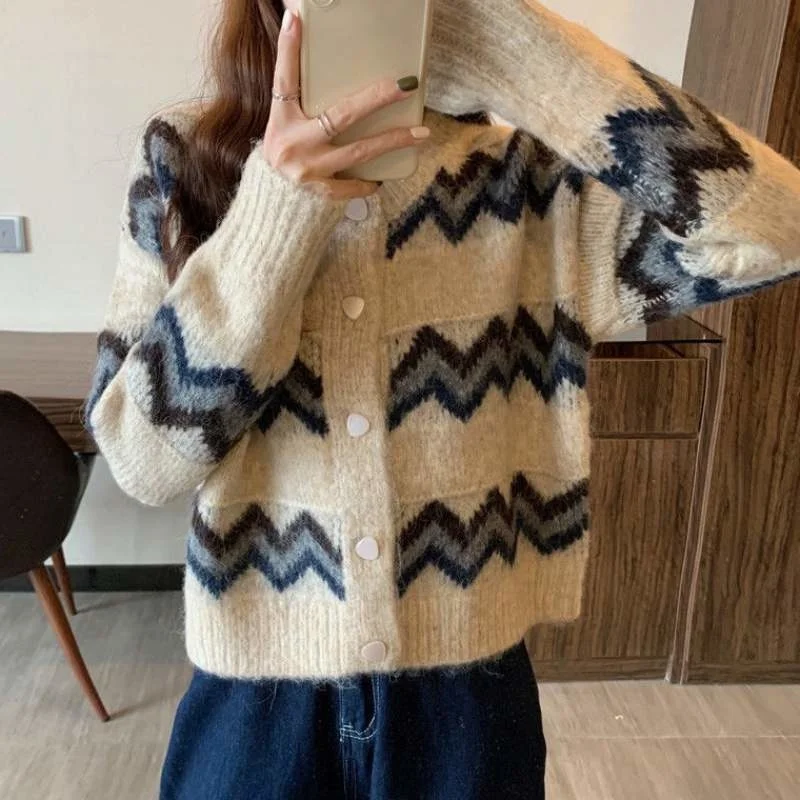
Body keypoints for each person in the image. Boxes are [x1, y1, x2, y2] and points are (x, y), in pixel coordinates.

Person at [84, 0, 800, 798]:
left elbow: (777, 227)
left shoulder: (524, 181)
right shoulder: (183, 161)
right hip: (255, 701)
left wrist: (508, 44)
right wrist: (273, 213)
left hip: (468, 694)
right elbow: (141, 461)